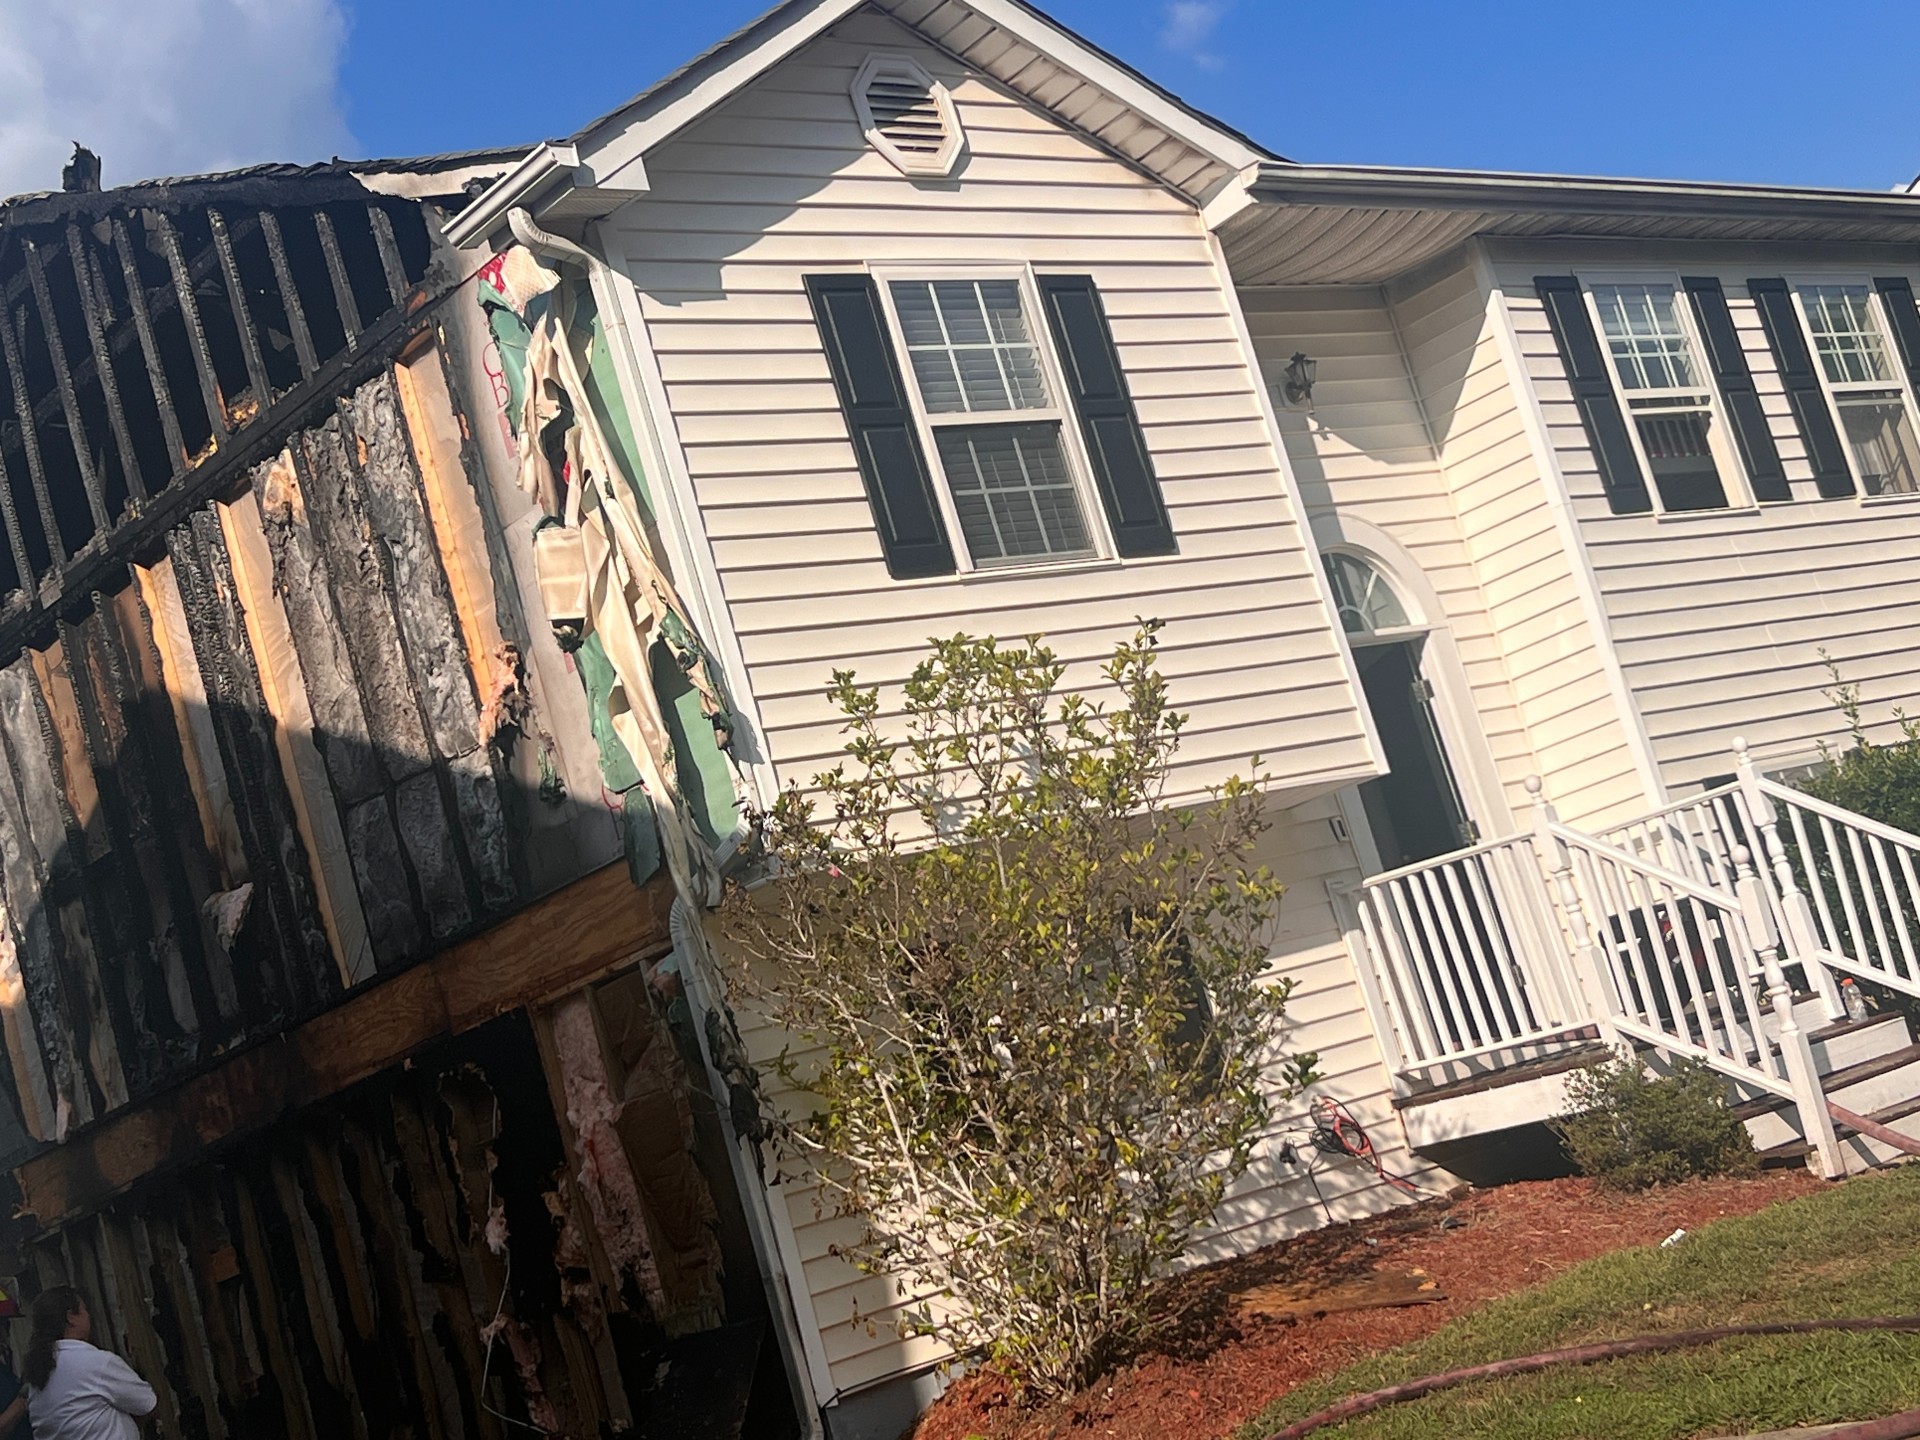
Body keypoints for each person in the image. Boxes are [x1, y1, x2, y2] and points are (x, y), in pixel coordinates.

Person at [20, 1288, 153, 1440]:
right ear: (71, 1317)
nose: (88, 1315)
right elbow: (147, 1404)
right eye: (84, 1310)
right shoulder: (96, 1362)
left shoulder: (38, 1376)